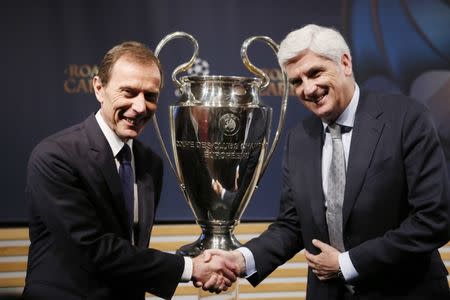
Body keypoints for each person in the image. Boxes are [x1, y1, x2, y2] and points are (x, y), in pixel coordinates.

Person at [206, 24, 450, 299]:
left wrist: (347, 263)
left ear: (345, 63)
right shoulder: (299, 138)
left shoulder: (407, 117)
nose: (308, 89)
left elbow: (434, 219)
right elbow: (291, 225)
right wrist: (241, 260)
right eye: (296, 81)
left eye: (315, 73)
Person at [23, 41, 237, 300]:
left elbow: (132, 248)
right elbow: (93, 249)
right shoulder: (55, 156)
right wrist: (190, 267)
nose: (140, 107)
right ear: (99, 88)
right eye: (129, 92)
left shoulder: (149, 163)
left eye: (150, 96)